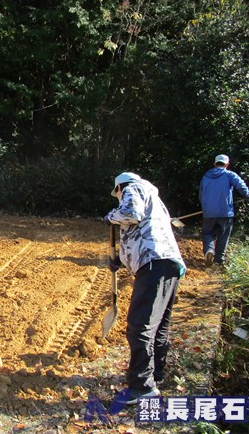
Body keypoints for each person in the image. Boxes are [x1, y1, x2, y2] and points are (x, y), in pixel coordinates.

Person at [103, 172, 186, 406]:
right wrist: (119, 259)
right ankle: (155, 374)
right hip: (166, 264)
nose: (118, 198)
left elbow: (131, 214)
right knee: (158, 326)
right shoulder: (154, 199)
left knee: (140, 326)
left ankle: (142, 387)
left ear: (120, 188)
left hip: (154, 265)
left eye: (117, 193)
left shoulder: (134, 188)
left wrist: (110, 217)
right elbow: (143, 234)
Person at [199, 154, 249, 266]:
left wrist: (205, 207)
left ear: (214, 164)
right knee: (223, 235)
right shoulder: (229, 175)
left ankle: (209, 250)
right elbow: (241, 186)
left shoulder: (205, 177)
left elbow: (201, 194)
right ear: (227, 164)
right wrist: (247, 196)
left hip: (208, 212)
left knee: (208, 233)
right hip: (225, 211)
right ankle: (219, 260)